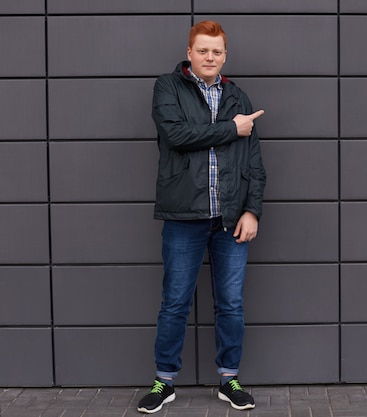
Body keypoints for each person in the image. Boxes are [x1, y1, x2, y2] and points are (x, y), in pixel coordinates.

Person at [137, 20, 266, 414]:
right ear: (189, 52)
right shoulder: (168, 87)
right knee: (175, 302)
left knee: (231, 304)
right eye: (203, 50)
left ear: (225, 55)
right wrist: (231, 128)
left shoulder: (237, 96)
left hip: (230, 220)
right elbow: (176, 136)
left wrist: (252, 210)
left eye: (217, 51)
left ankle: (229, 379)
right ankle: (164, 381)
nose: (210, 57)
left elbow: (255, 163)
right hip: (183, 217)